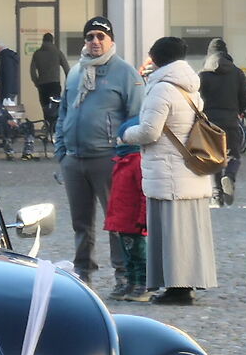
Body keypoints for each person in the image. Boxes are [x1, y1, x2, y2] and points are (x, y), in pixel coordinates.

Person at [120, 35, 217, 305]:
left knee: (172, 234)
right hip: (190, 169)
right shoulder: (190, 85)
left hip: (169, 171)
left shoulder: (162, 88)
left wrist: (125, 135)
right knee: (189, 233)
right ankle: (185, 286)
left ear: (157, 58)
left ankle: (178, 289)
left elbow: (149, 132)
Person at [54, 16, 142, 286]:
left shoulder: (125, 73)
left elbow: (136, 116)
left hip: (108, 158)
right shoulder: (75, 72)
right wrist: (61, 151)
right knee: (80, 223)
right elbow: (64, 112)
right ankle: (83, 272)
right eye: (90, 36)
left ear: (111, 40)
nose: (95, 41)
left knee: (117, 221)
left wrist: (123, 153)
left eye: (100, 36)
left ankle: (123, 274)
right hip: (74, 158)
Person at [198, 38, 246, 206]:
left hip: (209, 121)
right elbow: (244, 96)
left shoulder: (203, 74)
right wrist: (241, 110)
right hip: (230, 119)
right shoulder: (237, 73)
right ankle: (230, 176)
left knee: (213, 157)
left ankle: (217, 196)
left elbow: (196, 98)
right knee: (233, 155)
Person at [103, 141, 148, 303]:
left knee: (139, 255)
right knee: (128, 256)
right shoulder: (121, 161)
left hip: (134, 221)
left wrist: (143, 218)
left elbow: (144, 193)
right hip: (123, 220)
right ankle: (131, 282)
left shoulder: (137, 162)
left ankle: (144, 285)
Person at [30, 32, 67, 123]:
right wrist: (69, 81)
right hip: (54, 84)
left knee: (45, 107)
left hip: (43, 85)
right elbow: (66, 67)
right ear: (52, 41)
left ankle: (47, 126)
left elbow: (32, 71)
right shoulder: (57, 52)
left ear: (43, 41)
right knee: (55, 107)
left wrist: (37, 82)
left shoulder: (37, 54)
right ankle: (55, 126)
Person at [0, 40, 21, 109]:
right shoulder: (11, 56)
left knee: (4, 109)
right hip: (13, 88)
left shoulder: (4, 56)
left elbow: (6, 74)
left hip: (6, 90)